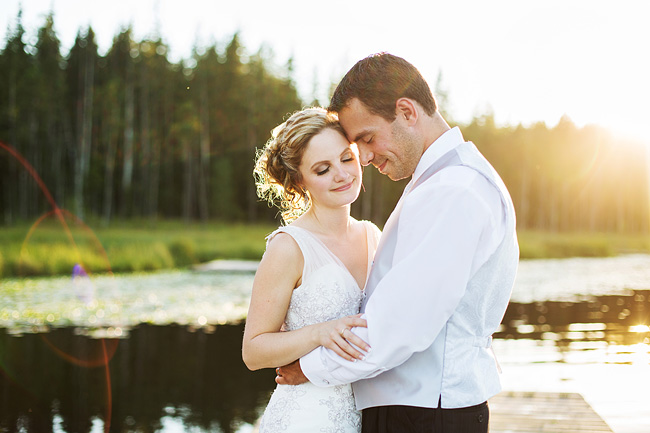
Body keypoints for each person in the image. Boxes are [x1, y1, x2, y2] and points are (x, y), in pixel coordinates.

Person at [276, 53, 519, 433]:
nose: (366, 157)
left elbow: (400, 325)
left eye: (367, 139)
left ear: (407, 112)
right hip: (420, 408)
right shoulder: (444, 181)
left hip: (425, 413)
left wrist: (308, 367)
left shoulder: (453, 189)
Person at [242, 107, 381, 433]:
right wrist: (319, 333)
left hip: (363, 416)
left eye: (347, 159)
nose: (342, 174)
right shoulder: (289, 247)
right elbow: (253, 351)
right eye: (323, 169)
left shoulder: (372, 236)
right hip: (304, 418)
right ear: (299, 182)